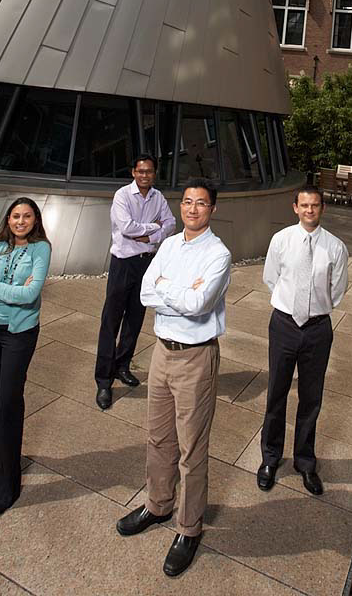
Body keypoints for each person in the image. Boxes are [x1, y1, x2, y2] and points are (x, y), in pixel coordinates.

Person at [115, 179, 231, 578]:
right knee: (158, 437)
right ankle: (159, 504)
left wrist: (168, 288)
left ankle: (189, 527)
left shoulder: (218, 254)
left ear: (212, 209)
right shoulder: (167, 245)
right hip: (162, 353)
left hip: (196, 358)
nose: (192, 208)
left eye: (201, 203)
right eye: (187, 202)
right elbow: (146, 293)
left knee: (191, 448)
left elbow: (199, 305)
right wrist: (175, 288)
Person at [256, 185, 348, 496]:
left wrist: (313, 309)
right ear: (295, 207)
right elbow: (271, 278)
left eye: (315, 205)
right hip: (284, 324)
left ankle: (305, 462)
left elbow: (337, 290)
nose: (310, 210)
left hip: (317, 329)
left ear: (323, 208)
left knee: (311, 397)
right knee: (276, 393)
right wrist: (290, 304)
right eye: (304, 205)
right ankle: (270, 458)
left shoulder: (335, 247)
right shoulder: (281, 240)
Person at [0, 197, 52, 516]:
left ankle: (3, 487)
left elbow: (31, 295)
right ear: (8, 219)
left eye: (27, 216)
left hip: (19, 335)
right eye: (16, 216)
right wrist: (7, 290)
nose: (21, 221)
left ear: (35, 220)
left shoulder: (41, 249)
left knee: (7, 403)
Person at [95, 154, 175, 410]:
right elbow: (127, 228)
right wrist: (154, 226)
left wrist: (151, 237)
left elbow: (171, 223)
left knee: (135, 318)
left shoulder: (158, 197)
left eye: (149, 171)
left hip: (146, 263)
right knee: (111, 321)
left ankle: (122, 365)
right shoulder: (122, 196)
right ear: (133, 172)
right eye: (140, 171)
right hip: (122, 264)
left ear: (154, 174)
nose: (144, 175)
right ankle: (104, 380)